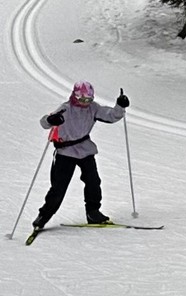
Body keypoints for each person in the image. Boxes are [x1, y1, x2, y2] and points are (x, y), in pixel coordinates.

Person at [29, 81, 130, 241]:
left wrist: (120, 106)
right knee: (58, 187)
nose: (85, 103)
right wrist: (51, 119)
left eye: (88, 99)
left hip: (85, 149)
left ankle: (93, 212)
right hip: (65, 152)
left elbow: (111, 116)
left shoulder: (93, 108)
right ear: (75, 96)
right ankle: (43, 216)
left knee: (93, 181)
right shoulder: (65, 108)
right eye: (82, 99)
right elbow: (44, 123)